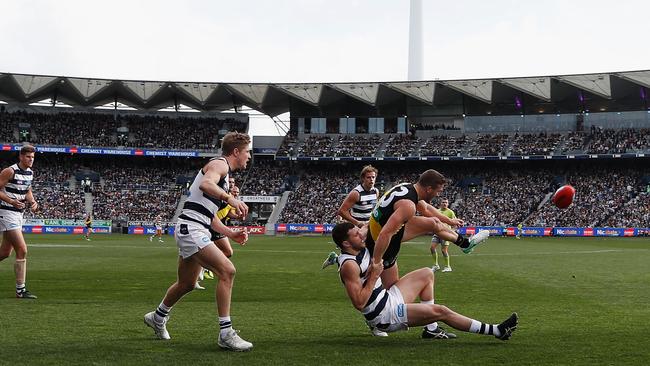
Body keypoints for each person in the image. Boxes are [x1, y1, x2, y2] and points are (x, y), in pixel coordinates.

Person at [143, 132, 253, 351]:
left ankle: (157, 316)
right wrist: (230, 198)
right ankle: (226, 333)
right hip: (191, 228)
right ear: (236, 152)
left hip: (195, 226)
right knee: (227, 271)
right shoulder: (219, 165)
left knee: (187, 283)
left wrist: (230, 234)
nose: (249, 156)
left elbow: (208, 216)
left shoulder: (225, 173)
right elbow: (205, 184)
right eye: (248, 152)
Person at [332, 222, 518, 341]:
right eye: (356, 235)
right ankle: (496, 331)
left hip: (389, 298)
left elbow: (368, 224)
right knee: (441, 311)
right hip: (384, 314)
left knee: (427, 273)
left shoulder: (359, 244)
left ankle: (431, 330)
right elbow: (359, 303)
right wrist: (374, 275)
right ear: (346, 244)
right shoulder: (349, 265)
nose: (361, 235)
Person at [367, 169, 489, 292]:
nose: (438, 195)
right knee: (393, 289)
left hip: (380, 229)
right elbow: (385, 234)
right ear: (429, 189)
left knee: (433, 223)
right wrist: (376, 262)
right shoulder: (408, 206)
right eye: (438, 191)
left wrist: (449, 221)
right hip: (382, 241)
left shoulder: (408, 188)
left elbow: (426, 209)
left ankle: (465, 244)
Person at [322, 165, 380, 269]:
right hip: (357, 228)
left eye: (373, 177)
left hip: (369, 226)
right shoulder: (356, 193)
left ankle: (335, 259)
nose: (371, 180)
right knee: (356, 254)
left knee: (368, 253)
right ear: (363, 178)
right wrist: (357, 223)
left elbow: (373, 209)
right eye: (368, 177)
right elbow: (342, 211)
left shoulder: (375, 191)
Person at [0, 145, 38, 299]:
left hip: (18, 214)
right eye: (28, 157)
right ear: (21, 157)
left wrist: (33, 201)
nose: (31, 160)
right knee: (22, 249)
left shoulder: (30, 173)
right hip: (6, 212)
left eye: (33, 157)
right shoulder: (10, 171)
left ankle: (20, 290)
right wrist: (11, 201)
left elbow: (27, 190)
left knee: (4, 253)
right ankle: (20, 290)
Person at [429, 198, 456, 273]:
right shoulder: (437, 211)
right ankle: (436, 265)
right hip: (437, 233)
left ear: (448, 204)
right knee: (432, 248)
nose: (445, 204)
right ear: (440, 203)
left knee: (444, 251)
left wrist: (452, 231)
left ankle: (448, 266)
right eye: (443, 202)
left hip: (445, 234)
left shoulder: (450, 212)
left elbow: (455, 223)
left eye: (446, 202)